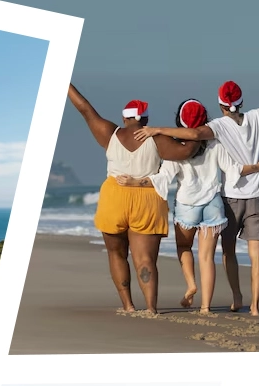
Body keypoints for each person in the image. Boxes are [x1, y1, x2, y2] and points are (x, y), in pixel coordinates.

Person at [141, 51, 259, 315]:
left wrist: (158, 130)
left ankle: (236, 297)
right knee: (256, 252)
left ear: (220, 105)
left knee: (227, 251)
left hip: (230, 198)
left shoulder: (218, 127)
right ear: (242, 101)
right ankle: (255, 307)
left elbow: (192, 134)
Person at [64, 85, 195, 315]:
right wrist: (196, 129)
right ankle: (152, 308)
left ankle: (128, 305)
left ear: (124, 118)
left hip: (115, 196)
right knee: (145, 260)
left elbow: (84, 108)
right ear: (144, 119)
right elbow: (186, 151)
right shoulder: (157, 138)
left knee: (116, 254)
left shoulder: (108, 132)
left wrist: (65, 82)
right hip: (147, 198)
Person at [149, 99, 258, 315]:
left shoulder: (175, 148)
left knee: (184, 248)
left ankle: (191, 284)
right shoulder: (215, 143)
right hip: (212, 204)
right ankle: (206, 307)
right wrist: (256, 166)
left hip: (187, 206)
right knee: (207, 258)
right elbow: (234, 169)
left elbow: (164, 178)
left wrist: (137, 182)